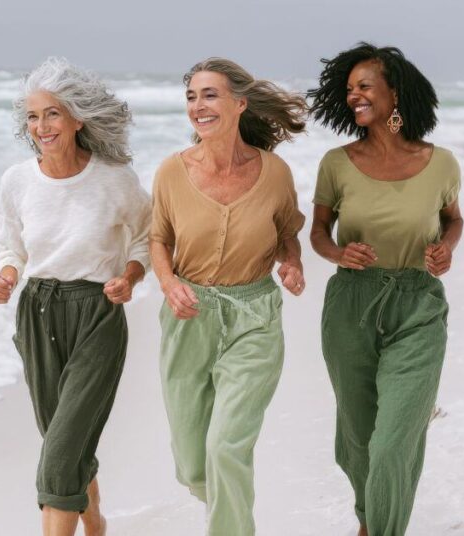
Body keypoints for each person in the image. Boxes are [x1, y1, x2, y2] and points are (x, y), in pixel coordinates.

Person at [0, 57, 150, 536]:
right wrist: (6, 274)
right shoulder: (17, 180)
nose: (41, 126)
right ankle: (94, 519)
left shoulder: (115, 179)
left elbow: (144, 237)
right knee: (62, 436)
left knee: (59, 452)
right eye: (33, 117)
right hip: (37, 313)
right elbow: (9, 244)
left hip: (96, 313)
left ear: (78, 117)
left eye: (52, 114)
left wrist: (132, 276)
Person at [308, 43, 464, 536]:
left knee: (393, 440)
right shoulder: (337, 162)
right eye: (349, 88)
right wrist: (338, 254)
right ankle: (369, 518)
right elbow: (317, 232)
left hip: (418, 304)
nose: (354, 95)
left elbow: (453, 220)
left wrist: (447, 248)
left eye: (365, 86)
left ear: (395, 93)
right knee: (356, 437)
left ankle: (381, 529)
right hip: (351, 304)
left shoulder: (440, 163)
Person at [149, 57, 306, 536]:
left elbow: (287, 232)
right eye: (192, 97)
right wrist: (169, 284)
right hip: (188, 318)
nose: (198, 105)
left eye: (209, 94)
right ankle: (224, 506)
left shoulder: (275, 173)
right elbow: (157, 240)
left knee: (226, 448)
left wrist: (292, 260)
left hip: (254, 317)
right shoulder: (171, 173)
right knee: (194, 466)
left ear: (239, 104)